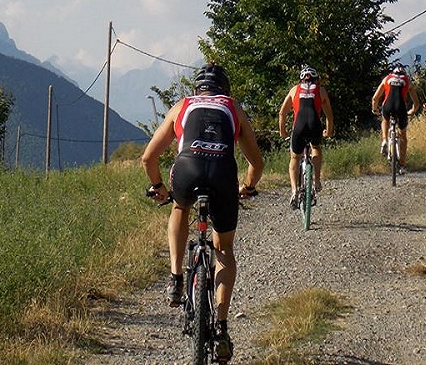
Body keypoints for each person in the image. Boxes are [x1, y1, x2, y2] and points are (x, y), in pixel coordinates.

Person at [141, 63, 263, 363]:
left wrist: (158, 186)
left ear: (197, 89)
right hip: (223, 175)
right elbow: (257, 163)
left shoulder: (182, 105)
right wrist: (247, 187)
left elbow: (148, 157)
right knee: (224, 250)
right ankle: (221, 327)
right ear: (225, 89)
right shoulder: (233, 108)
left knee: (179, 207)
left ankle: (176, 278)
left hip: (187, 171)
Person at [278, 65, 334, 207]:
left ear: (301, 79)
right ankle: (317, 181)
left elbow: (282, 113)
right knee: (316, 148)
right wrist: (328, 132)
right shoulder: (321, 90)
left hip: (299, 127)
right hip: (315, 126)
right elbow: (329, 116)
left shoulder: (294, 90)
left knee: (295, 157)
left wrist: (283, 132)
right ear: (317, 79)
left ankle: (294, 190)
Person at [371, 64, 420, 174]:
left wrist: (375, 109)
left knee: (385, 120)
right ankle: (402, 164)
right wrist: (412, 111)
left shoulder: (387, 78)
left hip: (387, 106)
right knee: (403, 135)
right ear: (404, 73)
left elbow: (375, 98)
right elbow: (416, 103)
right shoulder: (407, 81)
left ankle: (384, 140)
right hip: (400, 107)